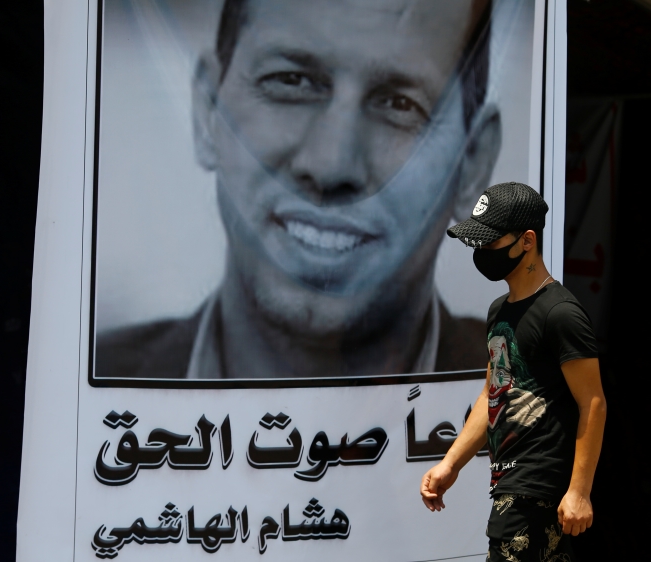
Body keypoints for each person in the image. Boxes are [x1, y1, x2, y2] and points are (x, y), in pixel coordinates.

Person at [96, 0, 502, 379]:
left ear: (473, 164)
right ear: (209, 111)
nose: (331, 166)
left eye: (399, 104)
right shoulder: (83, 382)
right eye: (291, 81)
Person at [420, 182, 607, 561]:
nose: (481, 251)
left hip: (536, 489)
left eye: (490, 242)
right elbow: (493, 393)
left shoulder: (561, 313)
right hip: (508, 483)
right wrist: (450, 463)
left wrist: (579, 491)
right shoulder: (499, 311)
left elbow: (593, 403)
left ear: (527, 241)